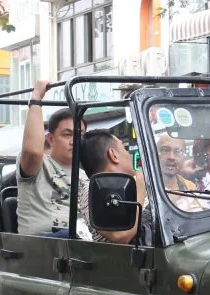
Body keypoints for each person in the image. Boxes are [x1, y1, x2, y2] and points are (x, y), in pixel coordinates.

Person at [16, 81, 86, 236]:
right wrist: (36, 98)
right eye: (67, 134)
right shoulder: (40, 166)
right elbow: (33, 152)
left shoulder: (85, 176)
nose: (74, 140)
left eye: (79, 135)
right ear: (51, 139)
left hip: (82, 245)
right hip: (42, 246)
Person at [78, 130, 149, 244]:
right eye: (124, 149)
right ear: (113, 155)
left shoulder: (128, 186)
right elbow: (120, 236)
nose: (127, 154)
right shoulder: (91, 189)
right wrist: (141, 185)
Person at [158, 134, 206, 211]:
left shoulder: (190, 187)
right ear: (155, 153)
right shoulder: (137, 184)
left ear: (184, 157)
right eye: (165, 150)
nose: (171, 157)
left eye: (178, 151)